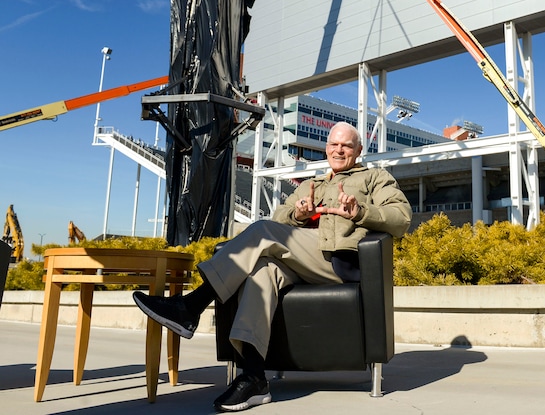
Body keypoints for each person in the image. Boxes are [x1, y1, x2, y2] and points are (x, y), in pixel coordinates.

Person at [133, 121, 412, 412]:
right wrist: (298, 214)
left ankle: (192, 305)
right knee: (261, 270)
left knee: (263, 231)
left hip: (339, 261)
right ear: (326, 148)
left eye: (346, 145)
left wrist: (360, 211)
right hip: (302, 260)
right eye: (333, 144)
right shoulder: (311, 184)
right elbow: (281, 217)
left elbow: (401, 217)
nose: (339, 150)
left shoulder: (374, 177)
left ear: (358, 150)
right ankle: (254, 377)